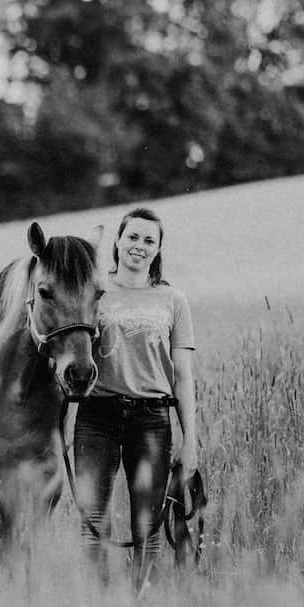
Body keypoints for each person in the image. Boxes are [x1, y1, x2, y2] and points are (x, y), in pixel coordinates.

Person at [73, 207, 199, 587]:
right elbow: (73, 361)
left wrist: (189, 438)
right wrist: (64, 427)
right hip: (96, 416)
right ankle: (100, 604)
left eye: (149, 241)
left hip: (152, 419)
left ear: (158, 249)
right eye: (132, 237)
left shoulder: (173, 300)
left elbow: (183, 375)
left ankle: (140, 603)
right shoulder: (95, 292)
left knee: (148, 521)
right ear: (117, 241)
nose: (139, 246)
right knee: (92, 520)